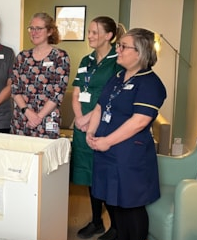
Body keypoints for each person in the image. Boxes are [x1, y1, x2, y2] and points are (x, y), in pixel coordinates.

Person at [86, 28, 166, 240]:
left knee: (131, 207)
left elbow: (139, 121)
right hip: (106, 152)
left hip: (129, 157)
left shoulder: (150, 83)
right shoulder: (117, 77)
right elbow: (100, 107)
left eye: (123, 46)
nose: (118, 50)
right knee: (115, 203)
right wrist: (92, 132)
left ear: (140, 52)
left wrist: (107, 141)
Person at [70, 16, 125, 240]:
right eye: (89, 31)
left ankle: (116, 226)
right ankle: (96, 221)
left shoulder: (118, 61)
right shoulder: (86, 60)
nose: (90, 36)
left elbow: (115, 96)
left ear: (109, 36)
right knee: (89, 176)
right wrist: (79, 118)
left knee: (105, 175)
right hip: (83, 125)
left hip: (105, 125)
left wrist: (89, 118)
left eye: (94, 32)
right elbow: (76, 92)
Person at [10, 12, 70, 138]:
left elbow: (58, 93)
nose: (34, 32)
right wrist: (27, 112)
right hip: (22, 119)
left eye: (39, 28)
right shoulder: (22, 57)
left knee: (45, 157)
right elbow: (15, 90)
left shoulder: (60, 57)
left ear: (49, 31)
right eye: (31, 28)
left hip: (47, 121)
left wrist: (38, 117)